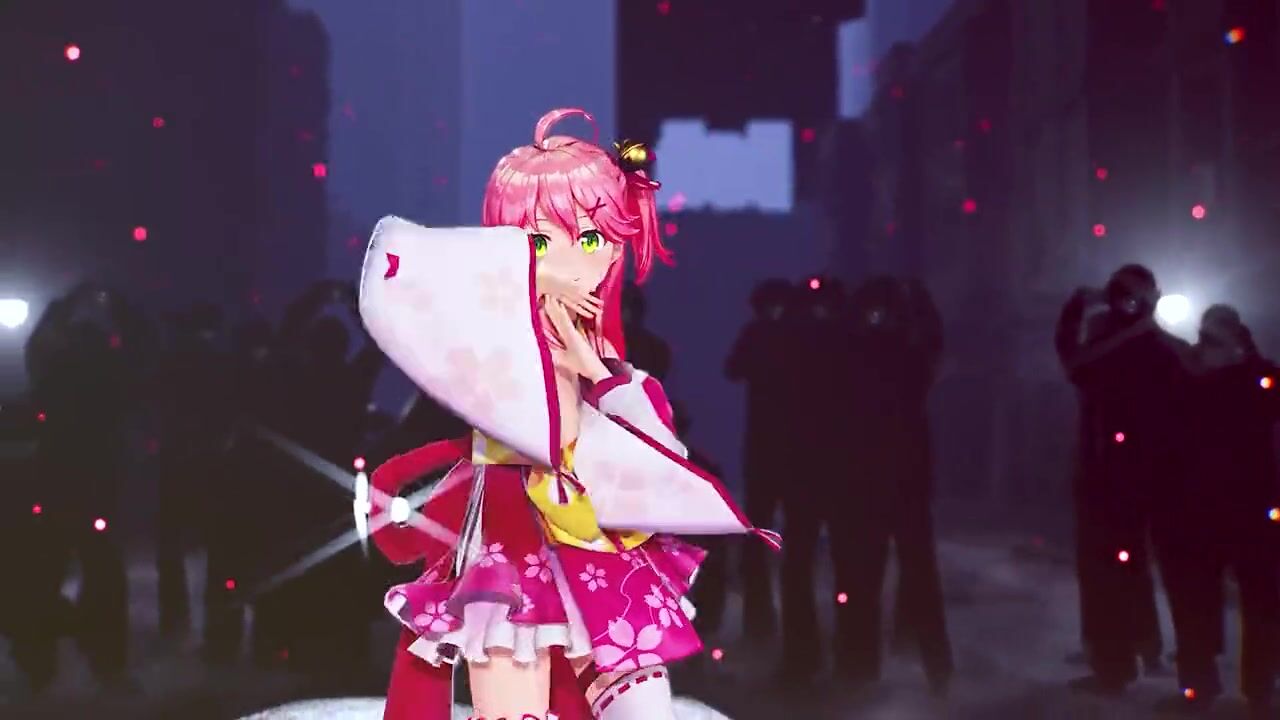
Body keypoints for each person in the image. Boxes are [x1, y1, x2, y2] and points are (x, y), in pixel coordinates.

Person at [361, 109, 781, 720]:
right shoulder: (486, 347)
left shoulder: (608, 362)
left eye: (589, 239)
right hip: (508, 542)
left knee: (642, 708)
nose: (568, 263)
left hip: (595, 539)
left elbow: (660, 452)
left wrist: (597, 371)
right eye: (536, 242)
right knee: (513, 703)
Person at [1054, 264, 1188, 695]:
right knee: (1119, 566)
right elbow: (1072, 360)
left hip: (1125, 477)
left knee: (1114, 569)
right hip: (1109, 474)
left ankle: (1118, 662)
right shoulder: (1116, 343)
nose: (1124, 304)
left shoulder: (1150, 350)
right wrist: (1079, 306)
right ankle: (1128, 653)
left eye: (1132, 297)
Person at [1155, 305, 1280, 717]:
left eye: (1218, 337)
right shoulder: (1186, 379)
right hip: (1196, 509)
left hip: (1251, 506)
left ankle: (1259, 691)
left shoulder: (1257, 377)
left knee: (1261, 602)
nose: (1208, 345)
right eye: (1206, 336)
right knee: (1194, 604)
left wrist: (1244, 359)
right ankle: (1198, 688)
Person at [836, 276, 951, 694]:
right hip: (891, 480)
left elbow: (932, 345)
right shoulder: (890, 354)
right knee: (901, 575)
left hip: (888, 481)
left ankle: (869, 666)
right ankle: (930, 666)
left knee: (881, 575)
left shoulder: (874, 355)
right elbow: (933, 344)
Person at [724, 278, 796, 637]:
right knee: (785, 538)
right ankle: (778, 623)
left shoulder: (759, 335)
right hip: (788, 447)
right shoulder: (795, 337)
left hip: (768, 447)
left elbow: (733, 369)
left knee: (762, 536)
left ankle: (761, 622)